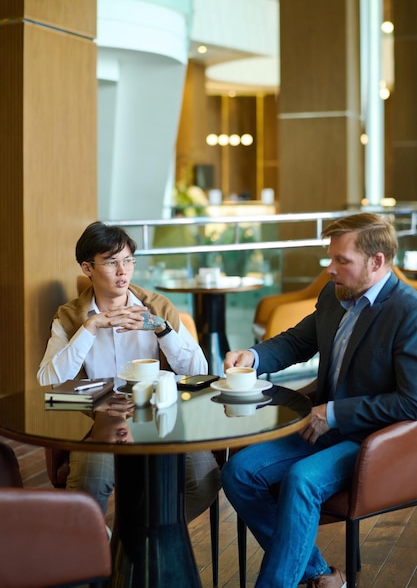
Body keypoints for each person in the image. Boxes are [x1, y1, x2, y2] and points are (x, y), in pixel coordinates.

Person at [221, 212, 417, 588]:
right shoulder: (336, 292)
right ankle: (319, 575)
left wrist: (334, 412)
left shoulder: (408, 312)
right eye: (330, 257)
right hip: (321, 426)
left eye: (342, 260)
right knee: (239, 473)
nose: (330, 269)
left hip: (374, 440)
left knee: (301, 480)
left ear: (377, 262)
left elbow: (411, 402)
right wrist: (254, 357)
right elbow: (297, 341)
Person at [38, 221, 221, 522]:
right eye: (111, 262)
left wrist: (161, 330)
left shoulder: (156, 307)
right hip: (100, 419)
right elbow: (47, 381)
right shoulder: (71, 316)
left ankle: (146, 537)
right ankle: (104, 553)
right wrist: (89, 327)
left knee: (204, 480)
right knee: (88, 486)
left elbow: (199, 371)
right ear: (88, 268)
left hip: (160, 414)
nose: (123, 271)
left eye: (127, 261)